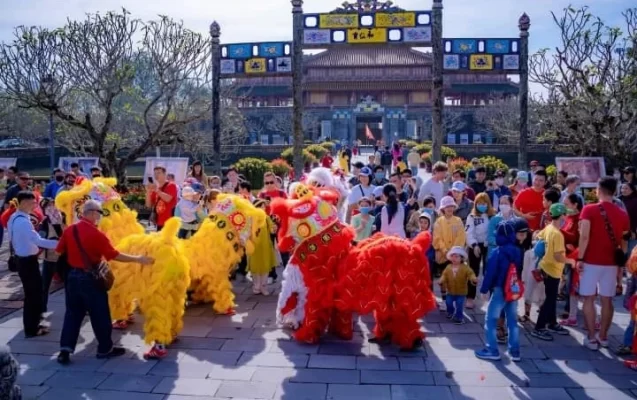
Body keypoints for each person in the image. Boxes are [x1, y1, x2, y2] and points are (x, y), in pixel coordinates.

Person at [56, 200, 154, 364]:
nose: (100, 217)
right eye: (100, 213)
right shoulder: (96, 233)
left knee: (72, 314)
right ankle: (104, 349)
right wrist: (139, 259)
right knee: (99, 314)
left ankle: (65, 350)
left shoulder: (70, 230)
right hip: (90, 279)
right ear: (93, 213)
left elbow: (59, 250)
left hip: (72, 277)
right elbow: (114, 255)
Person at [577, 177, 630, 350]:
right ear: (614, 191)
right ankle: (604, 336)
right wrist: (620, 267)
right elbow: (624, 242)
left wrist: (580, 258)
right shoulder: (622, 213)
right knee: (607, 300)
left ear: (598, 190)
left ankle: (591, 337)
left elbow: (584, 236)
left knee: (589, 299)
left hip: (591, 261)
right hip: (611, 263)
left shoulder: (589, 210)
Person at [8, 191, 58, 338]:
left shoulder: (14, 217)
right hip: (27, 261)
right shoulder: (23, 221)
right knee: (33, 296)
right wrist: (60, 243)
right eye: (32, 203)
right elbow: (38, 241)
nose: (34, 206)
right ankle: (31, 329)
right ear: (23, 203)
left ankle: (34, 324)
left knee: (33, 294)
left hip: (22, 259)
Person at [475, 219, 526, 362]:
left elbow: (490, 272)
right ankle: (514, 351)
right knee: (512, 321)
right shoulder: (517, 251)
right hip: (513, 289)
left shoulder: (497, 252)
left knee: (491, 319)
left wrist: (484, 289)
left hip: (499, 289)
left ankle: (492, 349)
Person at [531, 203, 572, 341]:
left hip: (546, 267)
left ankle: (552, 323)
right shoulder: (558, 234)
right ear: (562, 215)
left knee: (551, 297)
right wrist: (572, 261)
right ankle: (539, 327)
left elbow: (537, 237)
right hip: (552, 270)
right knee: (549, 300)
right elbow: (558, 256)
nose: (566, 217)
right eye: (565, 214)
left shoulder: (548, 228)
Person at [432, 196, 466, 307]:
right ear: (443, 208)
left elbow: (461, 236)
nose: (449, 209)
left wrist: (454, 251)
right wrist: (445, 250)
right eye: (447, 207)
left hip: (455, 256)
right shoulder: (438, 222)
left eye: (451, 206)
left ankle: (453, 299)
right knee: (443, 278)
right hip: (442, 256)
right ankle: (444, 299)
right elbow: (437, 238)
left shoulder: (458, 221)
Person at [465, 192, 495, 309]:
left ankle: (489, 296)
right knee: (473, 271)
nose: (482, 205)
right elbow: (468, 232)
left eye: (484, 203)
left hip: (489, 246)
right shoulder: (472, 217)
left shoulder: (493, 216)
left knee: (489, 271)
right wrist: (474, 245)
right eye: (479, 203)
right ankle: (470, 297)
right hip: (475, 245)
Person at [559, 193, 584, 327]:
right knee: (568, 283)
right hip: (568, 254)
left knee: (572, 285)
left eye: (566, 204)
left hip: (575, 255)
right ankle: (571, 310)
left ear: (575, 205)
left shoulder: (579, 219)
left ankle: (571, 312)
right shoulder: (569, 217)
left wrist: (559, 231)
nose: (564, 206)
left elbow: (575, 238)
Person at [39, 197, 65, 313]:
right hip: (50, 258)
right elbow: (41, 240)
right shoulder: (44, 223)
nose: (52, 207)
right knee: (44, 286)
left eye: (53, 204)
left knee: (71, 285)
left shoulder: (64, 218)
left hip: (64, 258)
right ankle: (41, 310)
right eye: (48, 206)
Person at [439, 246, 477, 324]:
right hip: (450, 291)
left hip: (461, 292)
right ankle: (450, 311)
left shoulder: (465, 268)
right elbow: (444, 275)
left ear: (462, 258)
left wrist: (473, 279)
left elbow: (471, 273)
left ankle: (459, 317)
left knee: (459, 304)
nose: (454, 258)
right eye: (452, 256)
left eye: (456, 257)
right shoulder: (448, 267)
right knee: (448, 302)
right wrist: (441, 280)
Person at [248, 199, 277, 296]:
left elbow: (272, 230)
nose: (264, 208)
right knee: (255, 267)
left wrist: (274, 228)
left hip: (265, 246)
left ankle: (263, 287)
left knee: (265, 266)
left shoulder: (267, 218)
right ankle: (256, 287)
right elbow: (247, 231)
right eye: (262, 206)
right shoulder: (250, 218)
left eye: (264, 206)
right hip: (254, 246)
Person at [145, 166, 178, 232]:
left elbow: (168, 199)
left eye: (159, 173)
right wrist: (148, 192)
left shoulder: (171, 185)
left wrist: (156, 190)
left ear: (165, 174)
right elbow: (148, 205)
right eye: (155, 173)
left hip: (170, 221)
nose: (156, 175)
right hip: (159, 222)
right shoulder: (156, 189)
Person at [620, 182, 637, 256]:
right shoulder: (617, 200)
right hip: (619, 230)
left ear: (632, 190)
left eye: (626, 188)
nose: (623, 190)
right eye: (622, 188)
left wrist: (633, 230)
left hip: (631, 231)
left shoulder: (635, 201)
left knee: (631, 253)